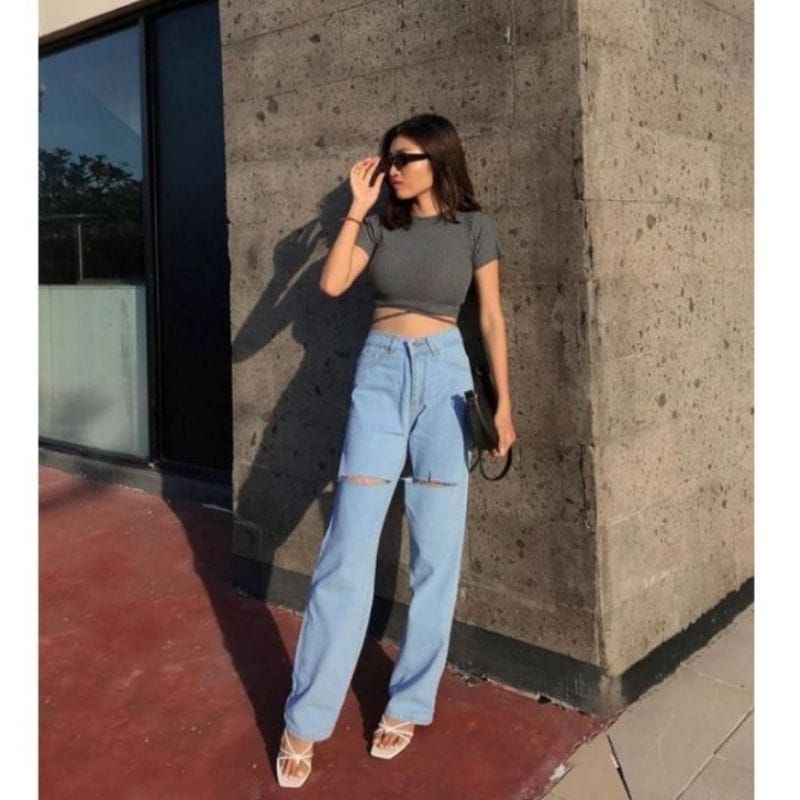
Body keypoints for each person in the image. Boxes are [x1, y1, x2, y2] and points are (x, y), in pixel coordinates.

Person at [276, 113, 517, 788]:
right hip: (380, 375)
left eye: (405, 158)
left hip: (447, 380)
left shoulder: (475, 228)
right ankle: (305, 719)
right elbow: (331, 285)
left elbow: (490, 317)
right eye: (388, 160)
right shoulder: (381, 223)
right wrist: (356, 208)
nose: (394, 170)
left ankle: (410, 702)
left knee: (437, 554)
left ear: (438, 159)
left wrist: (504, 405)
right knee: (346, 550)